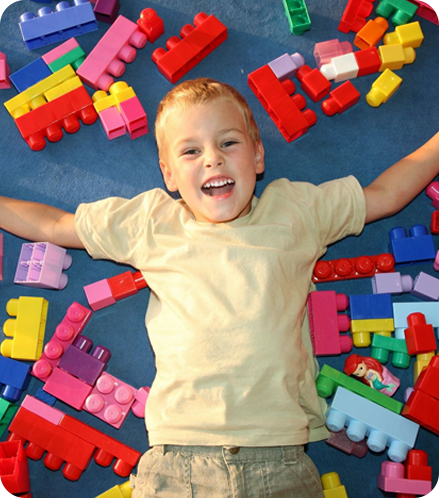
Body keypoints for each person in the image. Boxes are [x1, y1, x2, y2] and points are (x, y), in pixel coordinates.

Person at [1, 78, 439, 498]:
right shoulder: (151, 222)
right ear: (169, 174)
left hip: (281, 459)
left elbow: (385, 194)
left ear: (258, 156)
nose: (212, 159)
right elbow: (56, 225)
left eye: (228, 143)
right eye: (191, 151)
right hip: (177, 460)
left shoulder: (298, 210)